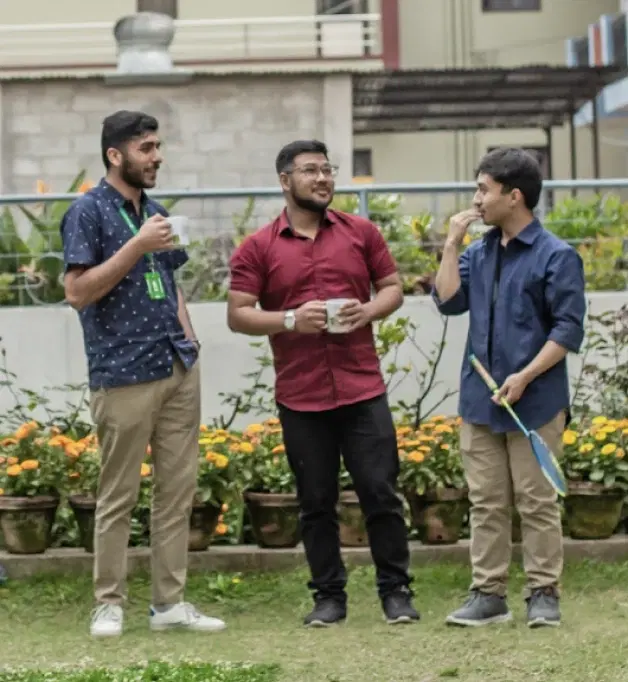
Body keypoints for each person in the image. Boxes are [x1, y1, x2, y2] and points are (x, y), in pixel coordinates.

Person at [227, 139, 419, 628]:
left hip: (362, 390)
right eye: (310, 170)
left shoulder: (362, 232)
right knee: (315, 503)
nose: (323, 178)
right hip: (302, 395)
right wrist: (291, 320)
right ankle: (328, 597)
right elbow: (238, 315)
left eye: (327, 169)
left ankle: (396, 591)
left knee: (380, 493)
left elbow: (392, 289)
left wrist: (368, 311)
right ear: (285, 181)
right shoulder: (258, 247)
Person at [60, 110, 225, 638]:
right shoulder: (88, 211)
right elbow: (77, 292)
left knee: (177, 493)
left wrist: (190, 337)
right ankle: (108, 603)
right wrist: (136, 245)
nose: (157, 157)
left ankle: (169, 604)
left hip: (176, 366)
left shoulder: (156, 212)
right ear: (116, 155)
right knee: (118, 495)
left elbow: (170, 282)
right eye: (147, 148)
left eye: (158, 147)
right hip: (123, 372)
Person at [433, 147, 586, 628]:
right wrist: (452, 245)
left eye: (484, 189)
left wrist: (524, 377)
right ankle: (488, 594)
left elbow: (567, 331)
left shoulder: (558, 256)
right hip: (480, 400)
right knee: (486, 502)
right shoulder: (477, 253)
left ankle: (544, 593)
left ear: (513, 196)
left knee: (537, 502)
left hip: (535, 401)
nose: (477, 200)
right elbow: (447, 301)